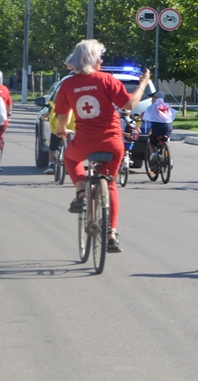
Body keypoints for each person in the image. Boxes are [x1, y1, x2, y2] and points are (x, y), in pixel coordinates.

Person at [54, 39, 151, 254]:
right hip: (112, 142)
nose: (102, 60)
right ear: (92, 59)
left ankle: (80, 191)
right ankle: (111, 234)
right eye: (99, 57)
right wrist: (143, 84)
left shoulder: (68, 84)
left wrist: (62, 129)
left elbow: (61, 113)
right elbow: (129, 105)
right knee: (111, 184)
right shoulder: (107, 80)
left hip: (85, 141)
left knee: (71, 158)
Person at [45, 96, 77, 173]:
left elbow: (45, 116)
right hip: (69, 130)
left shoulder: (53, 107)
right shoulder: (72, 107)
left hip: (56, 131)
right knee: (70, 147)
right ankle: (69, 165)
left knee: (52, 147)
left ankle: (50, 164)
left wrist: (45, 118)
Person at [141, 91, 175, 160]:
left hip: (157, 128)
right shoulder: (168, 106)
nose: (151, 100)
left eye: (152, 98)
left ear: (156, 98)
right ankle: (168, 157)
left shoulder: (152, 107)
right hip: (168, 128)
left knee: (151, 142)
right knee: (165, 138)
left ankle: (153, 154)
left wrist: (137, 117)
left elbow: (143, 115)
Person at [0, 71, 10, 172]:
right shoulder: (4, 89)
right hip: (2, 120)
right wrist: (8, 114)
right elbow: (8, 105)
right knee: (1, 139)